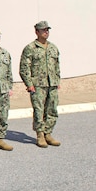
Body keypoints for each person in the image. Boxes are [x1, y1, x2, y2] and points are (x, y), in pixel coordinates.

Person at [19, 20, 61, 148]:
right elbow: (24, 68)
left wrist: (57, 80)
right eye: (43, 30)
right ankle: (40, 135)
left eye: (47, 30)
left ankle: (48, 133)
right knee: (39, 110)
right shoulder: (30, 48)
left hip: (52, 83)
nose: (46, 32)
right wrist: (29, 84)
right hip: (38, 85)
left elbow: (57, 65)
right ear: (37, 32)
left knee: (52, 109)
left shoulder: (53, 47)